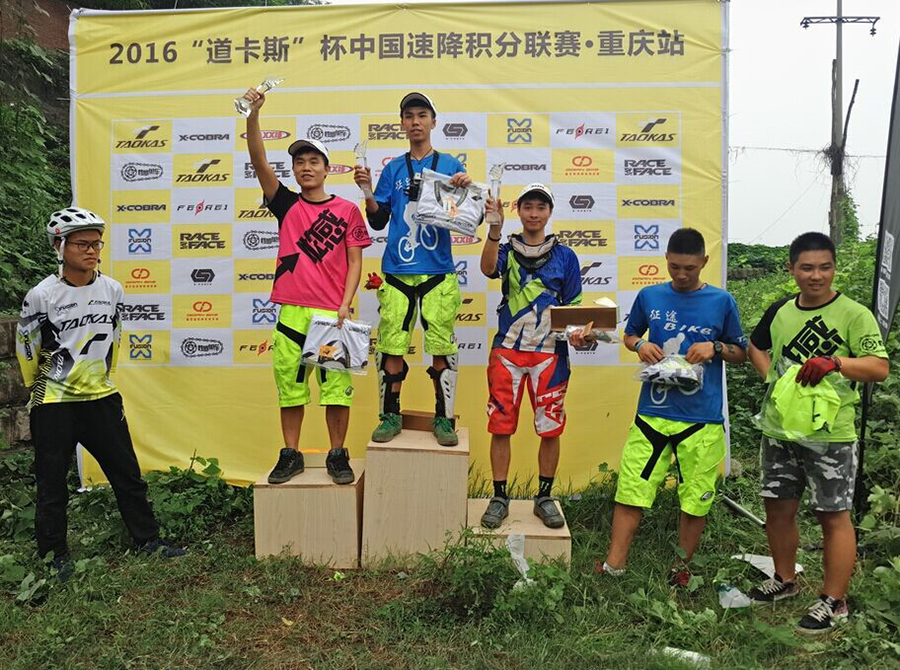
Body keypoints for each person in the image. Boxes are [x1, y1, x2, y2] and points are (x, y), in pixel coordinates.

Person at [16, 207, 185, 581]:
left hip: (101, 399)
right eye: (82, 244)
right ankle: (54, 556)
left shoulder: (112, 289)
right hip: (55, 402)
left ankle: (148, 540)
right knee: (51, 484)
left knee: (127, 475)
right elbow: (27, 349)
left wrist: (104, 379)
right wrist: (38, 388)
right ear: (59, 246)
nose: (92, 251)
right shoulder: (41, 295)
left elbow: (115, 338)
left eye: (96, 243)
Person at [746, 232, 889, 634]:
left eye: (825, 267)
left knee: (833, 515)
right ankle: (784, 579)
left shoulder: (854, 314)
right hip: (779, 430)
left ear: (834, 268)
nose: (816, 276)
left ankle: (833, 600)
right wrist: (774, 381)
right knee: (778, 506)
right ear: (791, 269)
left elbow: (879, 367)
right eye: (807, 268)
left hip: (832, 435)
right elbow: (755, 346)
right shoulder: (780, 311)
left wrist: (836, 362)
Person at [596, 228, 748, 584]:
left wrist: (716, 348)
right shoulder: (650, 295)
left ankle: (681, 569)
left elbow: (741, 352)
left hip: (702, 418)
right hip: (653, 412)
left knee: (695, 499)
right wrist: (640, 346)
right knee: (631, 490)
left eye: (689, 268)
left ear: (704, 262)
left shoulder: (722, 301)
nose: (681, 275)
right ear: (666, 259)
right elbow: (630, 335)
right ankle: (613, 566)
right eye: (675, 267)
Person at [242, 88, 371, 485]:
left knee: (336, 388)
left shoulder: (346, 210)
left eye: (314, 161)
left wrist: (346, 303)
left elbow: (355, 261)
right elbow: (259, 160)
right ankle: (291, 454)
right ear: (294, 171)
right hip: (292, 312)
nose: (306, 167)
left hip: (332, 313)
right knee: (290, 387)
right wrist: (253, 115)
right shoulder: (285, 204)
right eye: (299, 162)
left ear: (327, 169)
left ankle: (338, 454)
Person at [353, 92, 471, 446]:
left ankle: (444, 418)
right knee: (391, 345)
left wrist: (463, 192)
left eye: (422, 115)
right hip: (398, 270)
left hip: (438, 270)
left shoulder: (450, 164)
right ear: (402, 123)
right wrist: (367, 192)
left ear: (434, 121)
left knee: (441, 345)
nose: (416, 121)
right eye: (409, 115)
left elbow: (466, 218)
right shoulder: (392, 168)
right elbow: (378, 221)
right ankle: (390, 415)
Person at [478, 184, 584, 529]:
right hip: (507, 351)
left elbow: (574, 307)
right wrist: (494, 229)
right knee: (501, 426)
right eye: (528, 207)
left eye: (541, 207)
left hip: (551, 354)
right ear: (519, 210)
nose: (534, 213)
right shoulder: (506, 250)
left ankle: (544, 497)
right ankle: (499, 496)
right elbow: (487, 269)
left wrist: (579, 334)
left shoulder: (566, 256)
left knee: (550, 429)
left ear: (549, 212)